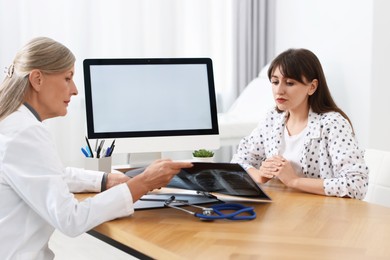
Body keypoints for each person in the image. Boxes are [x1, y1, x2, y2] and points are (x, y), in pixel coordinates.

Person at [0, 37, 193, 259]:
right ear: (37, 79)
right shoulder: (25, 133)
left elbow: (48, 176)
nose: (74, 90)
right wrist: (143, 183)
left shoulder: (12, 123)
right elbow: (70, 219)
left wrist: (104, 180)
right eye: (67, 78)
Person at [231, 48, 368, 199]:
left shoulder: (332, 124)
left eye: (289, 83)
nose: (279, 90)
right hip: (282, 208)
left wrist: (294, 181)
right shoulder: (273, 119)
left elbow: (356, 184)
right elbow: (239, 160)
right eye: (275, 82)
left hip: (323, 214)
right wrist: (259, 175)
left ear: (312, 87)